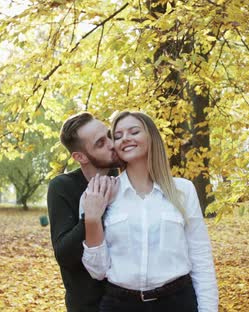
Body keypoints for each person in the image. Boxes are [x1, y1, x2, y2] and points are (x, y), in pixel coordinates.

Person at [81, 111, 219, 312]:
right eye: (117, 136)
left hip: (177, 303)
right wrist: (92, 219)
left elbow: (201, 258)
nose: (125, 138)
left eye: (134, 132)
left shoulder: (183, 190)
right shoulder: (101, 192)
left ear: (151, 137)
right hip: (120, 305)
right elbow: (97, 271)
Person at [47, 112, 120, 312]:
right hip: (88, 306)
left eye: (109, 136)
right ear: (80, 157)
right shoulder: (62, 186)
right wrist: (91, 214)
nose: (112, 144)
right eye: (100, 143)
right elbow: (64, 255)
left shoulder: (126, 179)